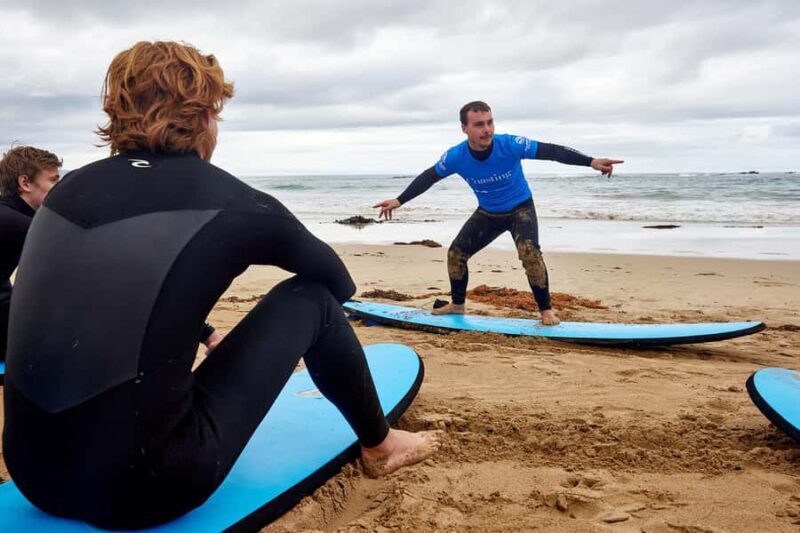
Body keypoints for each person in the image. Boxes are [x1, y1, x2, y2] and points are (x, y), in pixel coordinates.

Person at [3, 41, 439, 530]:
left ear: (117, 110)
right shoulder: (236, 203)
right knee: (310, 299)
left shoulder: (66, 190)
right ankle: (380, 444)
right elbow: (337, 283)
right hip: (145, 488)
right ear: (206, 115)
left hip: (32, 474)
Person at [374, 101, 623, 325]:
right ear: (465, 128)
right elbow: (429, 177)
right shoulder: (456, 156)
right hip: (489, 213)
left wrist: (590, 161)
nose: (487, 130)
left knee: (530, 254)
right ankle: (457, 306)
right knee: (456, 254)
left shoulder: (510, 145)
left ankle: (546, 311)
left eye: (490, 122)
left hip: (520, 209)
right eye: (479, 124)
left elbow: (552, 151)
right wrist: (399, 200)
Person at [0, 146, 62, 361]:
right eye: (54, 180)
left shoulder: (7, 215)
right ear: (25, 183)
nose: (60, 188)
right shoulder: (16, 223)